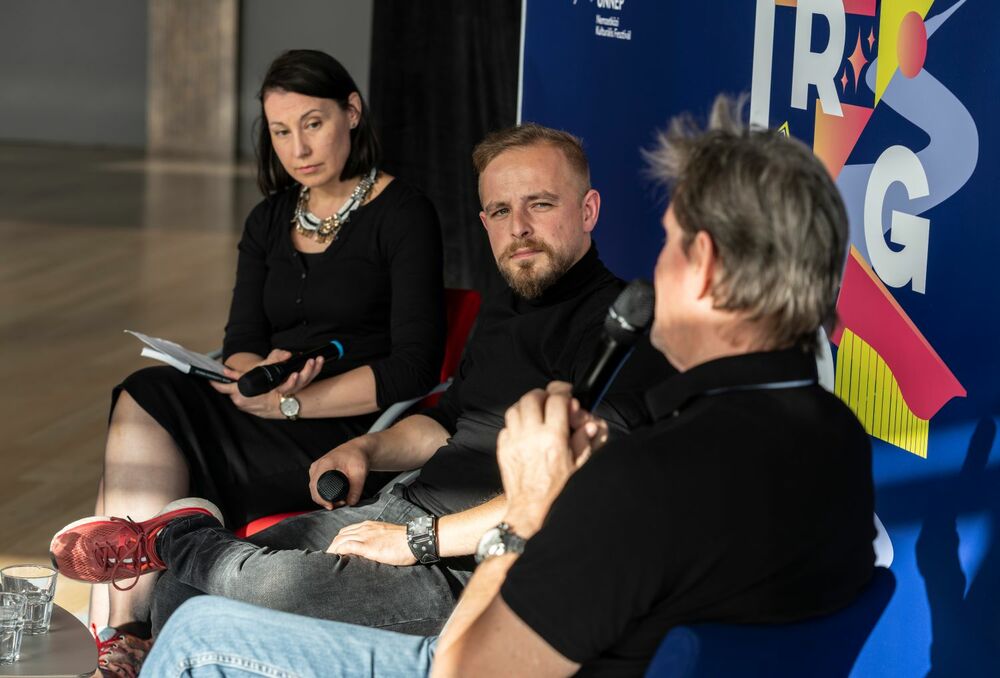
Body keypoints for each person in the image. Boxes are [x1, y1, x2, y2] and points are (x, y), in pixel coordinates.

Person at [135, 93, 876, 677]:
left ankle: (175, 541)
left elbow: (463, 669)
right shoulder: (838, 437)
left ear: (705, 265)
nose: (657, 271)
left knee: (202, 633)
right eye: (498, 210)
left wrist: (524, 513)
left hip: (483, 629)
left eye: (672, 244)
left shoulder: (644, 480)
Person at [51, 123, 674, 662]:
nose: (520, 229)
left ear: (588, 210)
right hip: (404, 509)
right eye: (501, 212)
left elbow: (566, 495)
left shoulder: (621, 330)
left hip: (474, 565)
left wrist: (413, 542)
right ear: (484, 222)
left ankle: (170, 536)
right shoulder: (508, 311)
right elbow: (447, 423)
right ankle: (175, 570)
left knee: (256, 586)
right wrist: (365, 451)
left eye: (540, 204)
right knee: (176, 593)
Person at [82, 49, 446, 675]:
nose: (298, 146)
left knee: (145, 438)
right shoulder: (270, 218)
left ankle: (124, 629)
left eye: (312, 122)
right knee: (146, 391)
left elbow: (414, 366)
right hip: (256, 406)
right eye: (281, 130)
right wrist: (257, 375)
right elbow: (241, 336)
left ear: (351, 113)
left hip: (344, 432)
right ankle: (123, 633)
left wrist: (295, 401)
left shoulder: (404, 212)